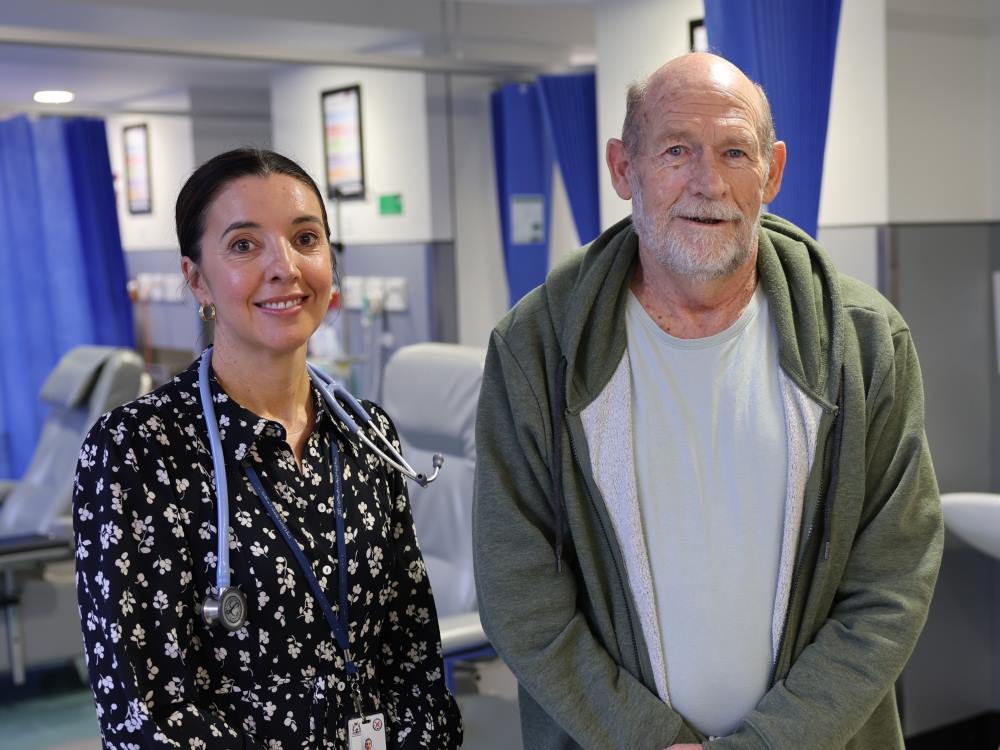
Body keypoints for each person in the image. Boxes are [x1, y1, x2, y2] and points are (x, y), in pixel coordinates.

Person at [472, 52, 942, 749]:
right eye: (675, 151)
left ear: (773, 172)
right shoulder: (536, 351)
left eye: (734, 152)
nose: (708, 182)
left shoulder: (863, 344)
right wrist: (644, 736)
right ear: (622, 169)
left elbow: (892, 584)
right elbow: (520, 597)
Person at [74, 148, 462, 749]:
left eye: (305, 238)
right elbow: (146, 712)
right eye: (244, 245)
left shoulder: (366, 436)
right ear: (196, 277)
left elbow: (411, 650)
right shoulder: (137, 453)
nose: (284, 267)